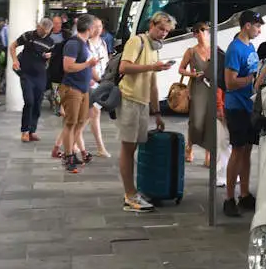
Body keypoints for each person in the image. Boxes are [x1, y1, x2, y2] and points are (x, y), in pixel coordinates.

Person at [117, 11, 176, 213]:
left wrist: (157, 113)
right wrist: (152, 66)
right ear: (152, 24)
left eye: (167, 32)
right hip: (129, 99)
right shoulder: (137, 42)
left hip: (141, 103)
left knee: (133, 148)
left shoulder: (154, 49)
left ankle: (133, 192)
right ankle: (130, 195)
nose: (163, 34)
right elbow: (124, 68)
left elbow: (152, 84)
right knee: (128, 148)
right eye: (161, 29)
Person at [223, 10, 263, 217]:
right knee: (238, 150)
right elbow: (230, 82)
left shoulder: (250, 46)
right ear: (247, 26)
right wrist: (252, 79)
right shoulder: (235, 49)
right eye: (257, 26)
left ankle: (245, 193)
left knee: (247, 150)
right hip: (237, 106)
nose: (259, 29)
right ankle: (229, 197)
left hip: (249, 105)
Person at [58, 14, 101, 173]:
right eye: (95, 27)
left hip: (83, 89)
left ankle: (72, 152)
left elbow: (88, 68)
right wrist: (88, 63)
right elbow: (68, 67)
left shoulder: (85, 44)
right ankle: (69, 156)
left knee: (80, 121)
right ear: (89, 28)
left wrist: (100, 80)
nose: (97, 30)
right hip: (72, 88)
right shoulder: (73, 44)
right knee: (70, 123)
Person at [9, 18, 55, 143]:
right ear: (38, 26)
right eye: (42, 30)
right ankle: (24, 131)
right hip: (26, 74)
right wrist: (15, 60)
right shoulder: (28, 35)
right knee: (29, 101)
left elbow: (52, 59)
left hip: (40, 75)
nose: (44, 34)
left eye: (47, 32)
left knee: (37, 103)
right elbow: (12, 46)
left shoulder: (50, 42)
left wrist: (49, 56)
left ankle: (32, 131)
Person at [178, 22, 212, 166]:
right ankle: (189, 147)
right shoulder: (191, 51)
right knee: (196, 121)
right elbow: (181, 69)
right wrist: (191, 74)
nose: (201, 34)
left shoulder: (215, 50)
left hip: (211, 88)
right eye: (197, 31)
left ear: (208, 32)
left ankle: (208, 155)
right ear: (194, 35)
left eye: (203, 30)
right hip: (197, 89)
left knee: (210, 122)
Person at [84, 17, 112, 158]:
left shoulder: (103, 43)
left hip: (101, 81)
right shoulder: (85, 43)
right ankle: (100, 148)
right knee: (94, 114)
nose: (98, 29)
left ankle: (68, 139)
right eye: (95, 26)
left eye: (100, 26)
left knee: (86, 117)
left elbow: (106, 61)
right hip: (90, 82)